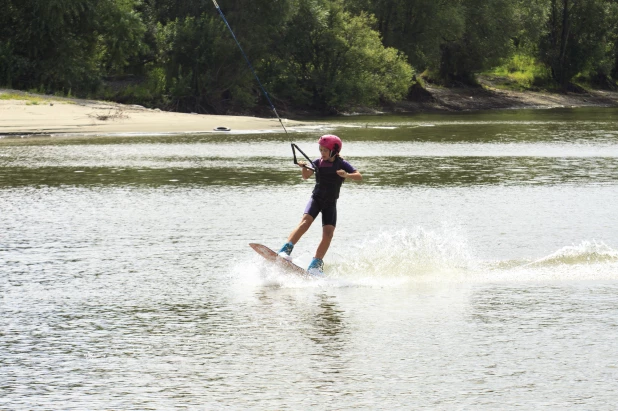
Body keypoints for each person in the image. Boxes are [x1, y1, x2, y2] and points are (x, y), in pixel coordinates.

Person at [278, 135, 362, 276]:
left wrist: (346, 175)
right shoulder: (317, 162)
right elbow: (306, 176)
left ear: (334, 151)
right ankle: (285, 250)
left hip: (330, 203)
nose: (321, 152)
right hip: (316, 199)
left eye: (324, 150)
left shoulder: (342, 164)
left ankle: (315, 265)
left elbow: (359, 176)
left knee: (328, 234)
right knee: (305, 223)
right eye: (320, 149)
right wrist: (303, 167)